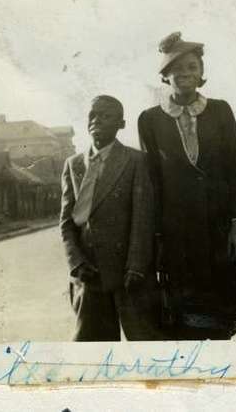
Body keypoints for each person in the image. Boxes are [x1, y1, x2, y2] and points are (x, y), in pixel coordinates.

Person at [138, 31, 236, 340]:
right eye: (176, 68)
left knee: (220, 314)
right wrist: (157, 235)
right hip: (177, 230)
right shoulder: (149, 120)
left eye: (192, 67)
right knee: (184, 317)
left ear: (201, 73)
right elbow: (151, 180)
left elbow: (235, 168)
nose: (185, 74)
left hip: (218, 226)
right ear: (165, 76)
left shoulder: (220, 110)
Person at [59, 95, 161, 341]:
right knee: (93, 348)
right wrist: (77, 262)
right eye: (93, 115)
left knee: (144, 344)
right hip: (90, 274)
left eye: (106, 116)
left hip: (128, 274)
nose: (97, 121)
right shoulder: (73, 164)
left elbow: (142, 218)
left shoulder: (135, 160)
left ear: (121, 124)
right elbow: (66, 222)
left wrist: (137, 266)